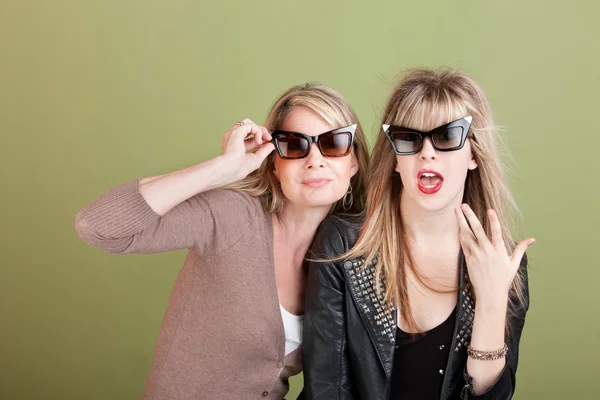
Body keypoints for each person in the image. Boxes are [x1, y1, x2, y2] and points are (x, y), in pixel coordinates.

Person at [75, 82, 369, 400]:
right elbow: (97, 226)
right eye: (296, 146)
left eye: (335, 143)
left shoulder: (344, 254)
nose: (315, 160)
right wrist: (221, 169)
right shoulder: (233, 217)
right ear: (273, 165)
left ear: (353, 162)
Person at [303, 68, 534, 400]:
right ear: (396, 158)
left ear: (474, 155)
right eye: (409, 138)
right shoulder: (343, 243)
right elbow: (326, 388)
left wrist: (492, 303)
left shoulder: (503, 262)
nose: (427, 152)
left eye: (447, 136)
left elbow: (490, 396)